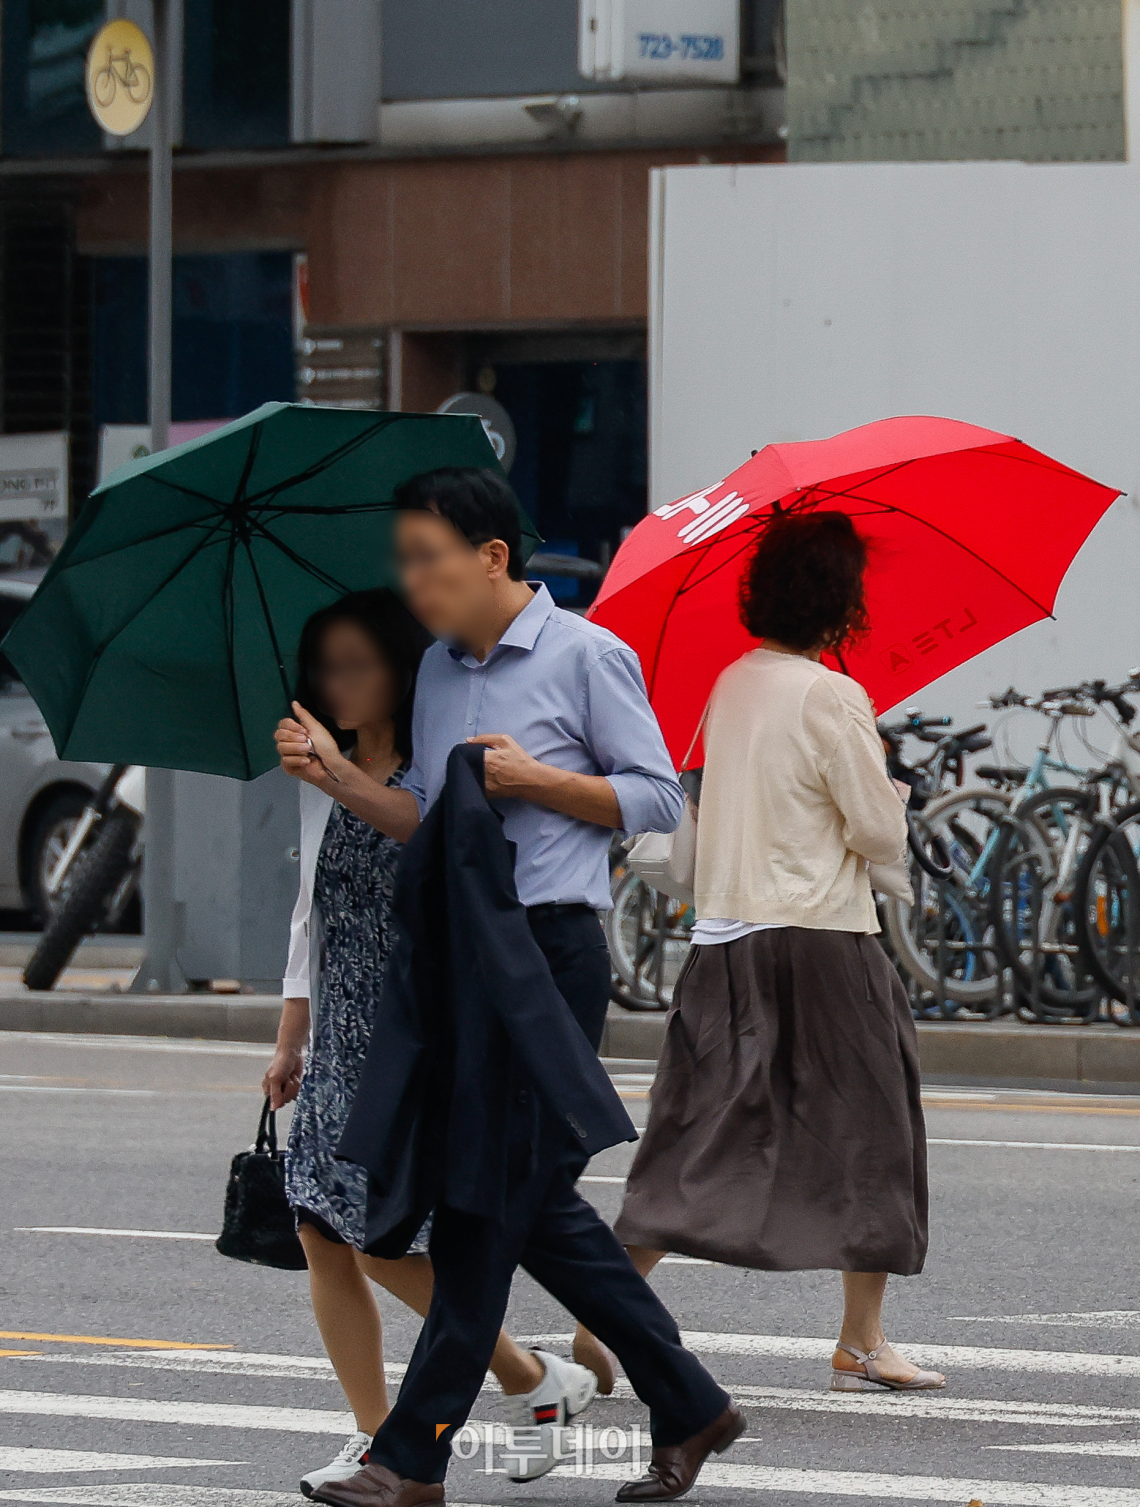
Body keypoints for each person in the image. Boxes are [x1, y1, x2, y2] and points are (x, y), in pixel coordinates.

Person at [276, 468, 743, 1507]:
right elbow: (429, 825)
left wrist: (539, 782)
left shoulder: (586, 655)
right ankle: (689, 1399)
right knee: (509, 1200)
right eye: (404, 560)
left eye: (427, 558)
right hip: (459, 953)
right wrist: (338, 777)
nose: (414, 581)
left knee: (489, 1204)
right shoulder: (438, 673)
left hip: (547, 954)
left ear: (491, 557)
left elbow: (656, 795)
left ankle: (412, 1456)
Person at [580, 510, 944, 1396]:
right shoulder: (830, 695)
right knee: (874, 1130)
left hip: (724, 940)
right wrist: (880, 766)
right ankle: (861, 1337)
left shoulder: (733, 683)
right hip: (820, 940)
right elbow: (874, 829)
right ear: (840, 600)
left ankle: (601, 1323)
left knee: (695, 1134)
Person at [264, 588, 596, 1498]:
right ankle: (378, 1435)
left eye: (358, 663)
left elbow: (441, 870)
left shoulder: (425, 773)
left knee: (378, 1238)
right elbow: (311, 917)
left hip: (413, 1028)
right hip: (340, 1031)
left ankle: (529, 1375)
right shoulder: (319, 774)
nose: (338, 682)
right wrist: (291, 1038)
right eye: (325, 666)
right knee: (321, 1234)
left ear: (403, 670)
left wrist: (340, 776)